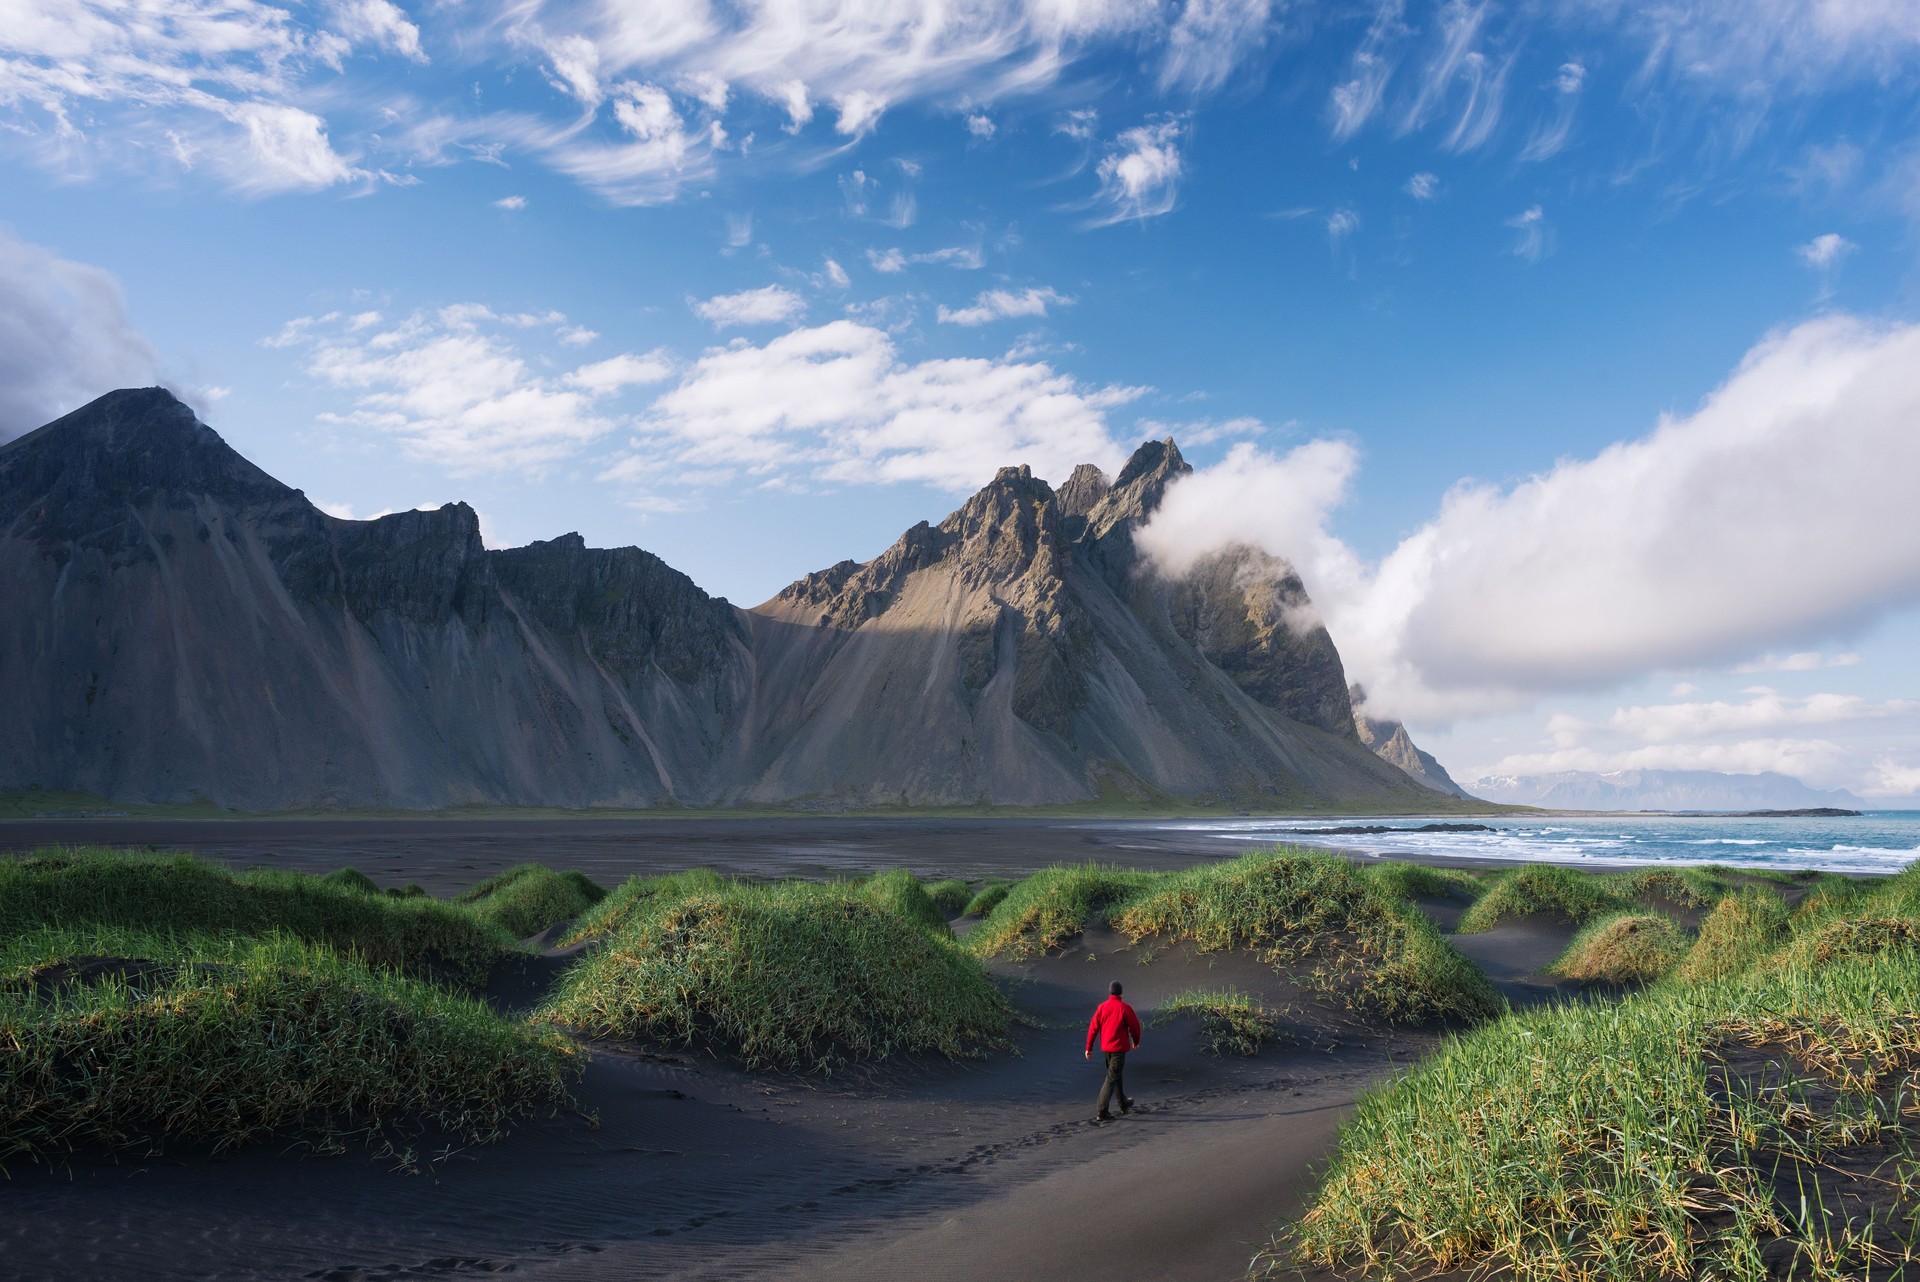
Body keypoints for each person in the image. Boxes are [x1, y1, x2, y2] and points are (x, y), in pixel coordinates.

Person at [1085, 979, 1142, 1122]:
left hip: (1107, 1050)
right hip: (1118, 1050)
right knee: (1111, 1078)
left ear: (1110, 991)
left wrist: (1089, 1048)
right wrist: (1136, 1042)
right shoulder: (1124, 1008)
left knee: (1116, 1075)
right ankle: (1102, 1111)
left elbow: (1093, 1028)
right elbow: (1135, 1027)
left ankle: (1123, 1104)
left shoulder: (1102, 1007)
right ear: (1121, 992)